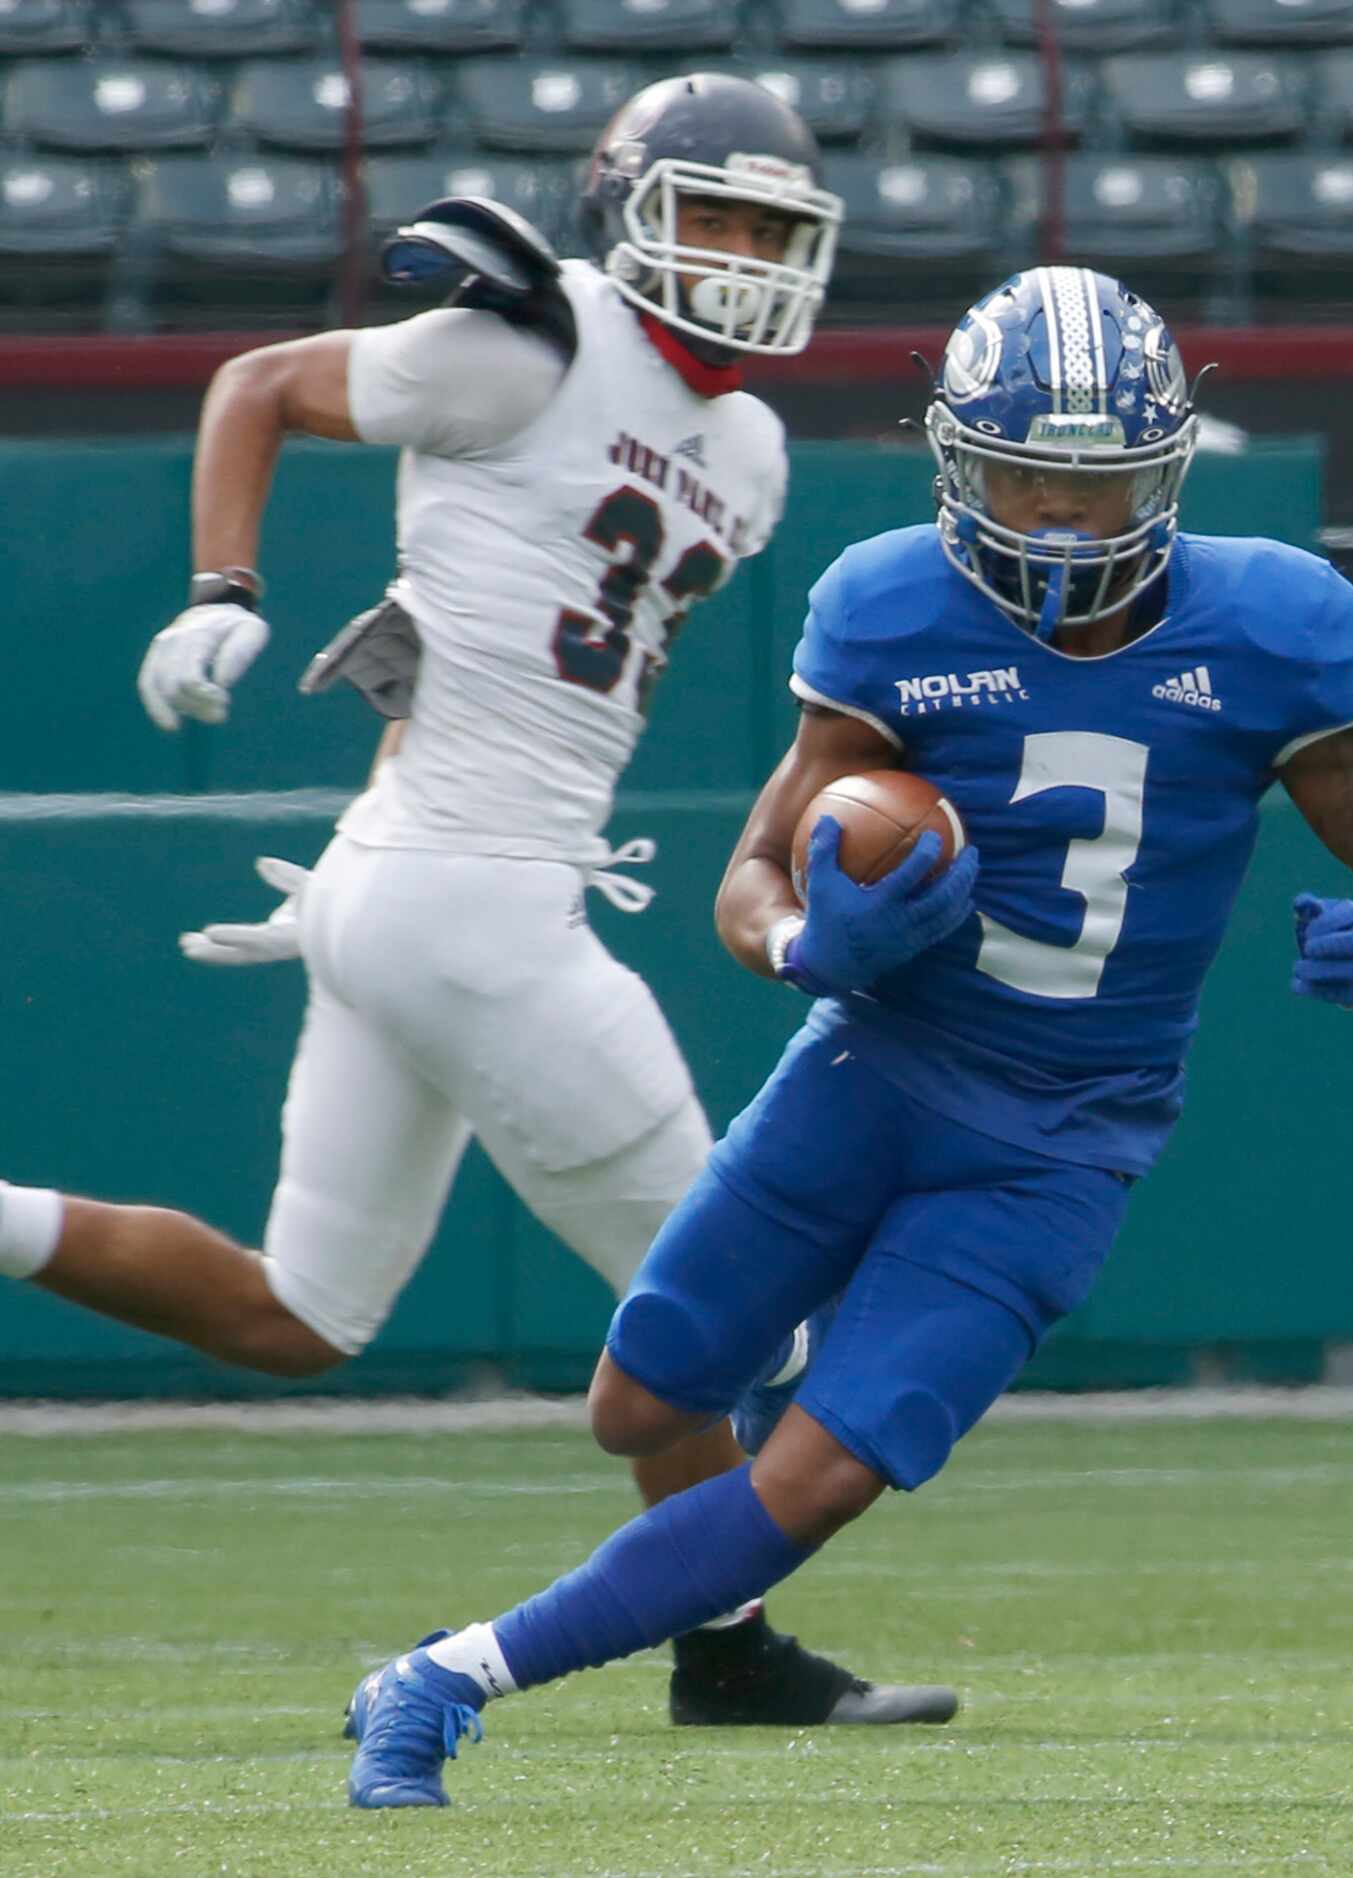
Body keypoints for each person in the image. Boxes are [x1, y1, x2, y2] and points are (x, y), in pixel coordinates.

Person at [338, 262, 1353, 1808]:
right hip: (870, 1068)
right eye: (1022, 478)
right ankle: (763, 1421)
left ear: (1166, 472)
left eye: (1100, 485)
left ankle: (446, 1677)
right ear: (955, 458)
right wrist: (808, 939)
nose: (1061, 522)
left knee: (803, 1484)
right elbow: (748, 875)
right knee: (639, 1401)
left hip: (1061, 1139)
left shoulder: (1275, 626)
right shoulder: (889, 604)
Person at [0, 73, 958, 1729]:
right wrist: (225, 586)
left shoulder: (751, 443)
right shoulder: (528, 336)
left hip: (410, 886)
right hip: (471, 898)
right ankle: (723, 1653)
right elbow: (256, 384)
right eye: (710, 215)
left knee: (296, 1313)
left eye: (765, 230)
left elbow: (532, 582)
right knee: (719, 1307)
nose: (735, 256)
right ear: (625, 205)